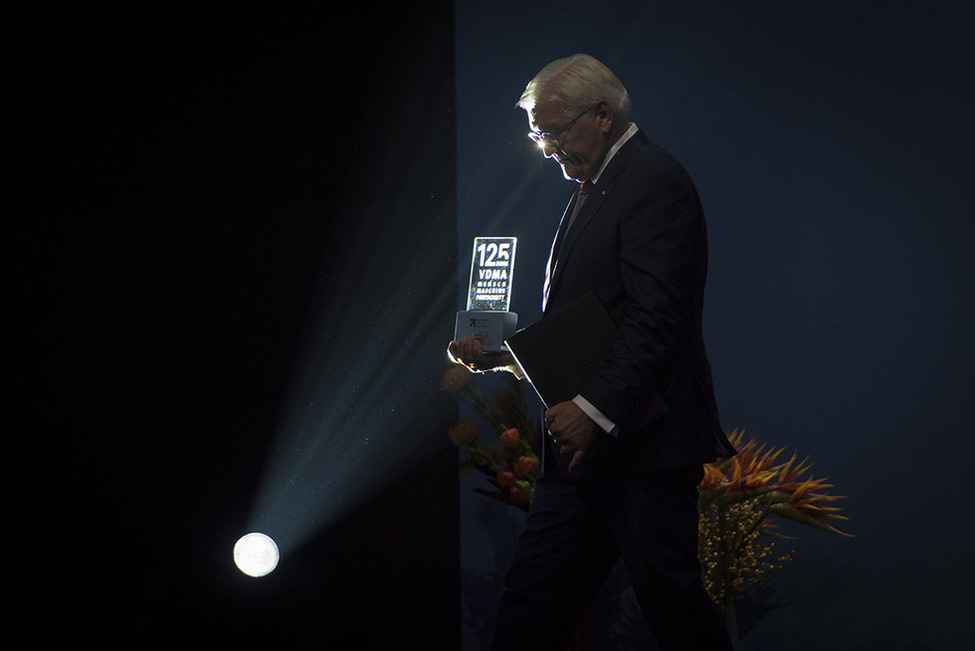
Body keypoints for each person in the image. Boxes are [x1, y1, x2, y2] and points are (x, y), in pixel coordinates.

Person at [449, 54, 736, 650]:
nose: (546, 148)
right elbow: (595, 326)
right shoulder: (603, 181)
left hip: (641, 448)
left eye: (552, 132)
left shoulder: (651, 178)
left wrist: (594, 407)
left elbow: (657, 318)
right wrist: (504, 356)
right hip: (591, 453)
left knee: (672, 607)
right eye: (537, 135)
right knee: (533, 605)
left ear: (602, 115)